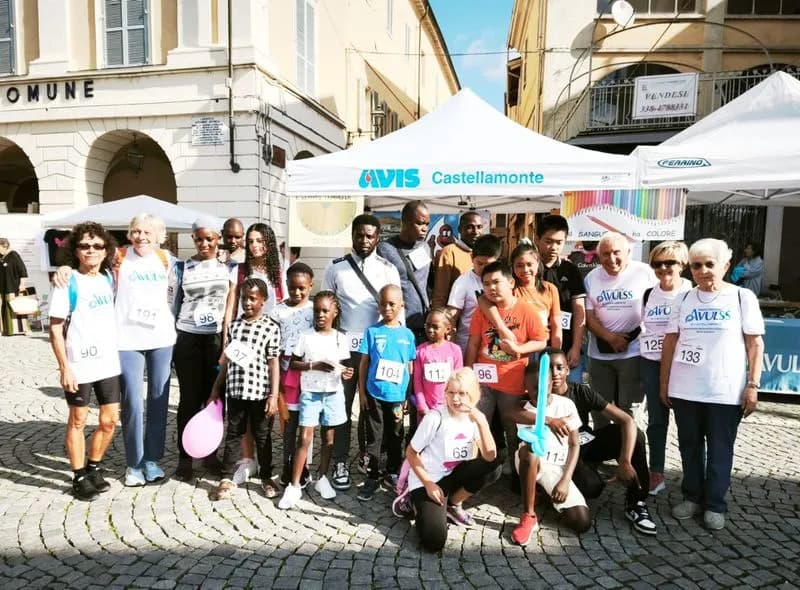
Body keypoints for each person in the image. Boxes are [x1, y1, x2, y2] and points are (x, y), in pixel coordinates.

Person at [661, 238, 764, 530]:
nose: (703, 271)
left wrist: (752, 385)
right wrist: (664, 382)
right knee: (689, 446)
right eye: (696, 265)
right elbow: (670, 342)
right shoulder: (683, 298)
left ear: (726, 265)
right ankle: (692, 496)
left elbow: (755, 344)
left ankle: (715, 503)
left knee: (720, 449)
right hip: (685, 388)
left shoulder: (742, 297)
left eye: (710, 264)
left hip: (725, 390)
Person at [322, 214, 401, 491]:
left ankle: (370, 459)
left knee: (372, 410)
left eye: (370, 235)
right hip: (345, 351)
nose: (364, 240)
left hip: (377, 352)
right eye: (360, 235)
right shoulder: (336, 269)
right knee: (340, 408)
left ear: (378, 237)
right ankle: (340, 460)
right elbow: (326, 311)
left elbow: (396, 312)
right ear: (352, 235)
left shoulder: (388, 269)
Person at [543, 348, 656, 536]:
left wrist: (625, 460)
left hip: (585, 445)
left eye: (559, 367)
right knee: (592, 487)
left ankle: (636, 503)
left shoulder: (580, 392)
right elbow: (515, 411)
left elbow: (626, 420)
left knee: (636, 436)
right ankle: (564, 488)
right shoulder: (537, 395)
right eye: (549, 369)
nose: (554, 373)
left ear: (567, 371)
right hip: (560, 455)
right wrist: (549, 420)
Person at [48, 223, 120, 501]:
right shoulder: (67, 282)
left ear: (105, 251)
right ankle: (78, 476)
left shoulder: (109, 278)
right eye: (84, 246)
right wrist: (65, 367)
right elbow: (55, 329)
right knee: (78, 419)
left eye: (97, 246)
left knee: (110, 420)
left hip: (108, 362)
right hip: (79, 364)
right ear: (75, 250)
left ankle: (94, 467)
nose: (90, 250)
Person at [465, 261, 547, 484]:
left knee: (512, 428)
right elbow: (473, 343)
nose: (491, 288)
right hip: (484, 380)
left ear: (511, 282)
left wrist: (519, 349)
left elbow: (541, 340)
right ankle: (475, 469)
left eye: (496, 282)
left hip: (513, 381)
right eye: (486, 283)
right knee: (477, 422)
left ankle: (517, 470)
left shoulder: (525, 310)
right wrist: (468, 371)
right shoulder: (481, 311)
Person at [404, 368, 501, 552]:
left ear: (473, 395)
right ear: (445, 394)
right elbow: (411, 453)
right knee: (434, 541)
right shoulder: (435, 418)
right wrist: (428, 484)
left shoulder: (474, 418)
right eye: (451, 393)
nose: (456, 399)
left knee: (494, 467)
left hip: (453, 475)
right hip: (428, 478)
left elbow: (490, 456)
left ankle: (453, 504)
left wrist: (482, 422)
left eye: (462, 394)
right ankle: (416, 504)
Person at [172, 216, 238, 482]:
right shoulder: (181, 267)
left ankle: (210, 453)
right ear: (193, 240)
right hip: (188, 337)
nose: (204, 243)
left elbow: (230, 306)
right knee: (188, 400)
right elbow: (172, 302)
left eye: (210, 239)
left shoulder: (230, 266)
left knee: (214, 401)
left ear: (218, 239)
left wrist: (225, 343)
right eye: (199, 239)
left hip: (214, 339)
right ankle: (185, 458)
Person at [114, 214, 178, 486]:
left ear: (158, 235)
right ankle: (133, 463)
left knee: (158, 399)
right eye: (136, 231)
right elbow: (85, 267)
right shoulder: (117, 257)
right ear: (129, 234)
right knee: (131, 401)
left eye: (146, 232)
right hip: (127, 339)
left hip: (161, 337)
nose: (141, 236)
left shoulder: (166, 259)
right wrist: (65, 270)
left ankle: (152, 459)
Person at [278, 290, 355, 509]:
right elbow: (293, 363)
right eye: (317, 311)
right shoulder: (306, 336)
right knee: (304, 438)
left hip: (332, 393)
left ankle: (322, 477)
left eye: (325, 311)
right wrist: (314, 365)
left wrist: (346, 373)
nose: (320, 315)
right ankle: (294, 486)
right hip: (310, 393)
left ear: (335, 312)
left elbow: (343, 368)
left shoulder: (341, 338)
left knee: (329, 438)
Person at [209, 278, 281, 500]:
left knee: (262, 436)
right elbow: (227, 361)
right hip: (236, 392)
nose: (247, 303)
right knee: (233, 434)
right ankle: (226, 477)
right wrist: (216, 388)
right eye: (244, 298)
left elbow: (273, 363)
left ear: (263, 301)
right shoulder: (234, 326)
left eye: (253, 299)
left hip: (260, 393)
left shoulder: (270, 328)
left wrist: (274, 395)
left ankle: (267, 476)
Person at [509, 357, 590, 545]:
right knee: (529, 452)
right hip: (533, 464)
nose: (539, 393)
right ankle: (529, 515)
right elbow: (510, 413)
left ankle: (547, 494)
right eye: (533, 388)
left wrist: (565, 480)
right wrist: (550, 420)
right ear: (526, 387)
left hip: (557, 468)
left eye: (543, 387)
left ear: (551, 384)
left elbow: (574, 444)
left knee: (581, 521)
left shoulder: (566, 405)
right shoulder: (524, 408)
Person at [584, 232, 656, 428]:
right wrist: (611, 338)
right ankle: (604, 449)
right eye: (605, 254)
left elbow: (657, 307)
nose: (612, 259)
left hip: (634, 351)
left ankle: (632, 452)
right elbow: (588, 317)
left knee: (630, 407)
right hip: (599, 355)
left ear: (628, 252)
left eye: (617, 252)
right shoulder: (592, 277)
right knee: (600, 407)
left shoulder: (645, 273)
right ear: (599, 256)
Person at [639, 241, 691, 495]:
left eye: (669, 263)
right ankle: (656, 472)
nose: (663, 268)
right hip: (651, 361)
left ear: (682, 264)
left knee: (687, 422)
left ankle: (691, 475)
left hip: (683, 364)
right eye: (657, 264)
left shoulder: (692, 293)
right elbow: (641, 326)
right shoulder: (649, 294)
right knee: (656, 421)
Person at [357, 284, 417, 501]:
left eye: (392, 303)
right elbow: (364, 363)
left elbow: (410, 367)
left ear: (402, 305)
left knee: (396, 435)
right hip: (375, 394)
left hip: (397, 397)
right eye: (383, 303)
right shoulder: (372, 332)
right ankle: (372, 475)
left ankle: (393, 472)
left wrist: (409, 395)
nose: (387, 307)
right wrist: (362, 392)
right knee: (374, 436)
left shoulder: (407, 335)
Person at [269, 262, 315, 487]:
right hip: (286, 367)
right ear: (286, 285)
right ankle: (287, 461)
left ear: (310, 286)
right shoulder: (278, 310)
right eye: (292, 287)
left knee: (308, 416)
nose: (297, 292)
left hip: (309, 368)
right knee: (288, 418)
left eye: (302, 288)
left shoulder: (314, 310)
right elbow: (272, 344)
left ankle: (304, 463)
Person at [479, 242, 562, 349]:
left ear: (538, 263)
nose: (525, 270)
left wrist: (556, 352)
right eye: (519, 266)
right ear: (512, 267)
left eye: (529, 264)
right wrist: (501, 327)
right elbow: (482, 300)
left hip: (541, 345)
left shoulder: (550, 289)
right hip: (515, 344)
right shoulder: (509, 289)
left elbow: (556, 324)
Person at [534, 215, 587, 383]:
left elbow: (579, 310)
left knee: (569, 396)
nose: (554, 247)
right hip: (533, 347)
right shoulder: (527, 268)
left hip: (566, 348)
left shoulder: (570, 270)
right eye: (549, 241)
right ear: (537, 239)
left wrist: (576, 347)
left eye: (559, 242)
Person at [377, 200, 431, 343]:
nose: (424, 228)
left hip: (423, 323)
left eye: (427, 224)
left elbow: (427, 282)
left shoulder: (425, 248)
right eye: (419, 223)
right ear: (405, 222)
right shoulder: (385, 249)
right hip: (398, 323)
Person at [446, 234, 502, 354]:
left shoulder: (503, 281)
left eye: (488, 264)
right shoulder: (463, 282)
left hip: (494, 346)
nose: (483, 268)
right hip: (466, 344)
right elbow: (451, 316)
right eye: (479, 263)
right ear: (472, 258)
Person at [413, 308, 463, 417]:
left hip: (449, 407)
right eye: (427, 325)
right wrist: (422, 405)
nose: (430, 330)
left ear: (447, 329)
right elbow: (417, 381)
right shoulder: (419, 351)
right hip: (427, 408)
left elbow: (458, 381)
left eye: (435, 327)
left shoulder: (455, 350)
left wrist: (455, 403)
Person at [431, 212, 484, 308]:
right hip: (456, 318)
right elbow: (440, 294)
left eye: (479, 227)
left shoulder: (484, 253)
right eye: (470, 227)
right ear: (460, 229)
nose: (475, 232)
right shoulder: (448, 252)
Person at [0, 237, 29, 336]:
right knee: (5, 308)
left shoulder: (14, 255)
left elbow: (23, 271)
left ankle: (19, 329)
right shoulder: (1, 257)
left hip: (13, 287)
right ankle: (7, 330)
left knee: (16, 307)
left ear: (4, 246)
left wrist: (22, 284)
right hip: (3, 288)